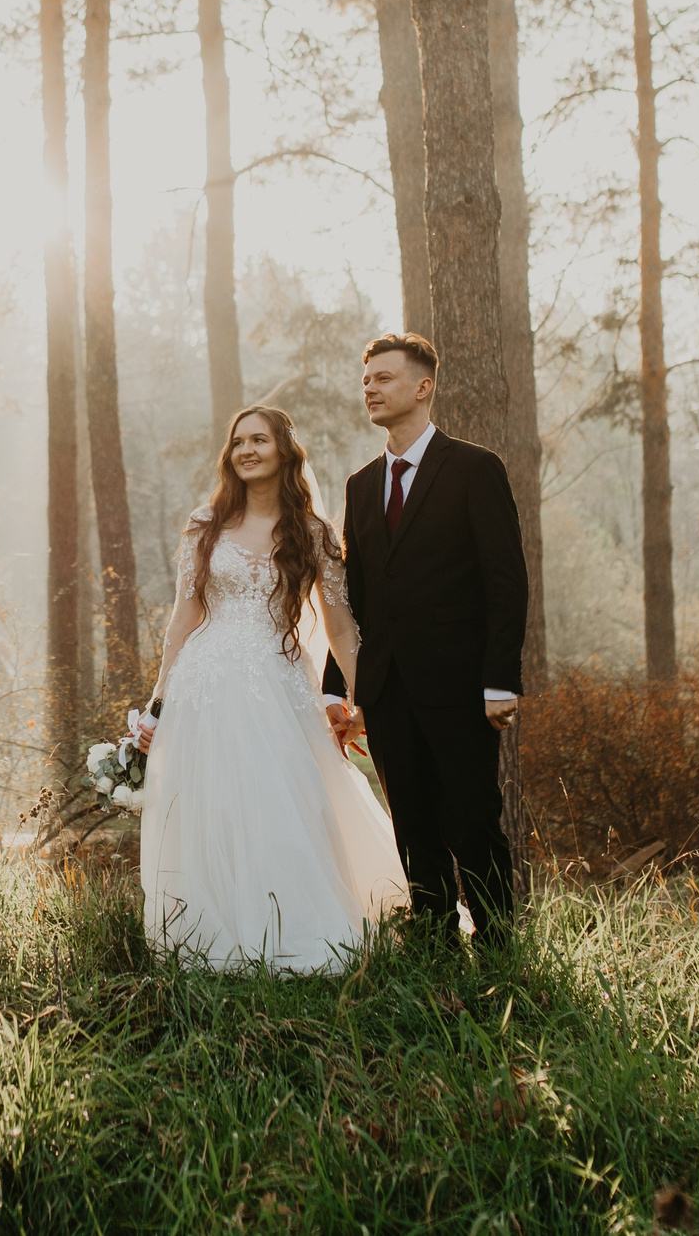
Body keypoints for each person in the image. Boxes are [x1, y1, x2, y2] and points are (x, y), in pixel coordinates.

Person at [132, 405, 407, 971]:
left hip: (279, 684)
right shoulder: (205, 523)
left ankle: (296, 931)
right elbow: (184, 615)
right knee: (211, 806)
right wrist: (158, 704)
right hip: (203, 686)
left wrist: (365, 702)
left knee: (287, 802)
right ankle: (212, 938)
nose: (247, 450)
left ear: (285, 449)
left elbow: (340, 627)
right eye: (238, 442)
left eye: (259, 440)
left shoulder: (313, 533)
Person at [322, 332, 530, 942]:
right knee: (410, 821)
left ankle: (497, 944)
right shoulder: (361, 485)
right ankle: (434, 940)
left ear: (423, 387)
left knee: (472, 819)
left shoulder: (473, 468)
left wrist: (500, 680)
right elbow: (351, 597)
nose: (371, 389)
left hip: (463, 685)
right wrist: (341, 687)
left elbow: (506, 581)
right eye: (366, 381)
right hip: (386, 688)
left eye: (384, 379)